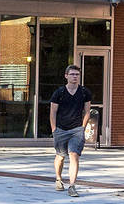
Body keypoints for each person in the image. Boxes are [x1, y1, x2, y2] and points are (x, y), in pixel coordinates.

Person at [49, 65, 97, 196]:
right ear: (66, 76)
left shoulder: (84, 92)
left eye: (77, 74)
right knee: (60, 156)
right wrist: (54, 129)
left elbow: (87, 111)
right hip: (61, 129)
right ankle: (58, 179)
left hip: (77, 130)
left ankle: (72, 185)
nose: (75, 76)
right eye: (72, 74)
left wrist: (82, 127)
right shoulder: (59, 92)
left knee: (74, 155)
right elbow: (53, 112)